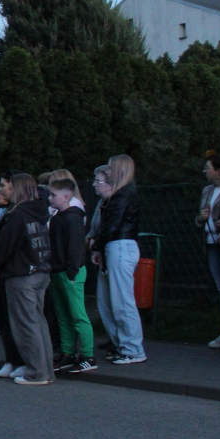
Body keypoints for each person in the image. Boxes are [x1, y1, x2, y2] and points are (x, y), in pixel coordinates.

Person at [0, 173, 55, 385]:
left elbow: (5, 245)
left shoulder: (18, 215)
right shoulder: (39, 212)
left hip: (21, 274)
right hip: (41, 271)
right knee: (38, 323)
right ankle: (45, 370)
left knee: (25, 325)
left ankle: (36, 373)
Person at [90, 154, 146, 365]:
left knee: (122, 301)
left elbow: (111, 227)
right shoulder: (122, 194)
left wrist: (96, 245)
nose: (109, 171)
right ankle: (125, 345)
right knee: (114, 300)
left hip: (119, 246)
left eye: (112, 168)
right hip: (117, 246)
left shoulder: (122, 195)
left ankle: (132, 348)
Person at [48, 177, 94, 373]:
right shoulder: (58, 218)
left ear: (66, 197)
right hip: (59, 271)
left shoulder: (73, 219)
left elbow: (76, 248)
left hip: (69, 273)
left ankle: (88, 355)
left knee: (77, 315)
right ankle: (67, 353)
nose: (49, 198)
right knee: (63, 315)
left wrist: (73, 271)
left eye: (53, 195)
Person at [197, 154, 220, 348]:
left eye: (208, 167)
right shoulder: (207, 190)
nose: (205, 171)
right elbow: (198, 218)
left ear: (219, 171)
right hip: (211, 241)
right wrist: (201, 218)